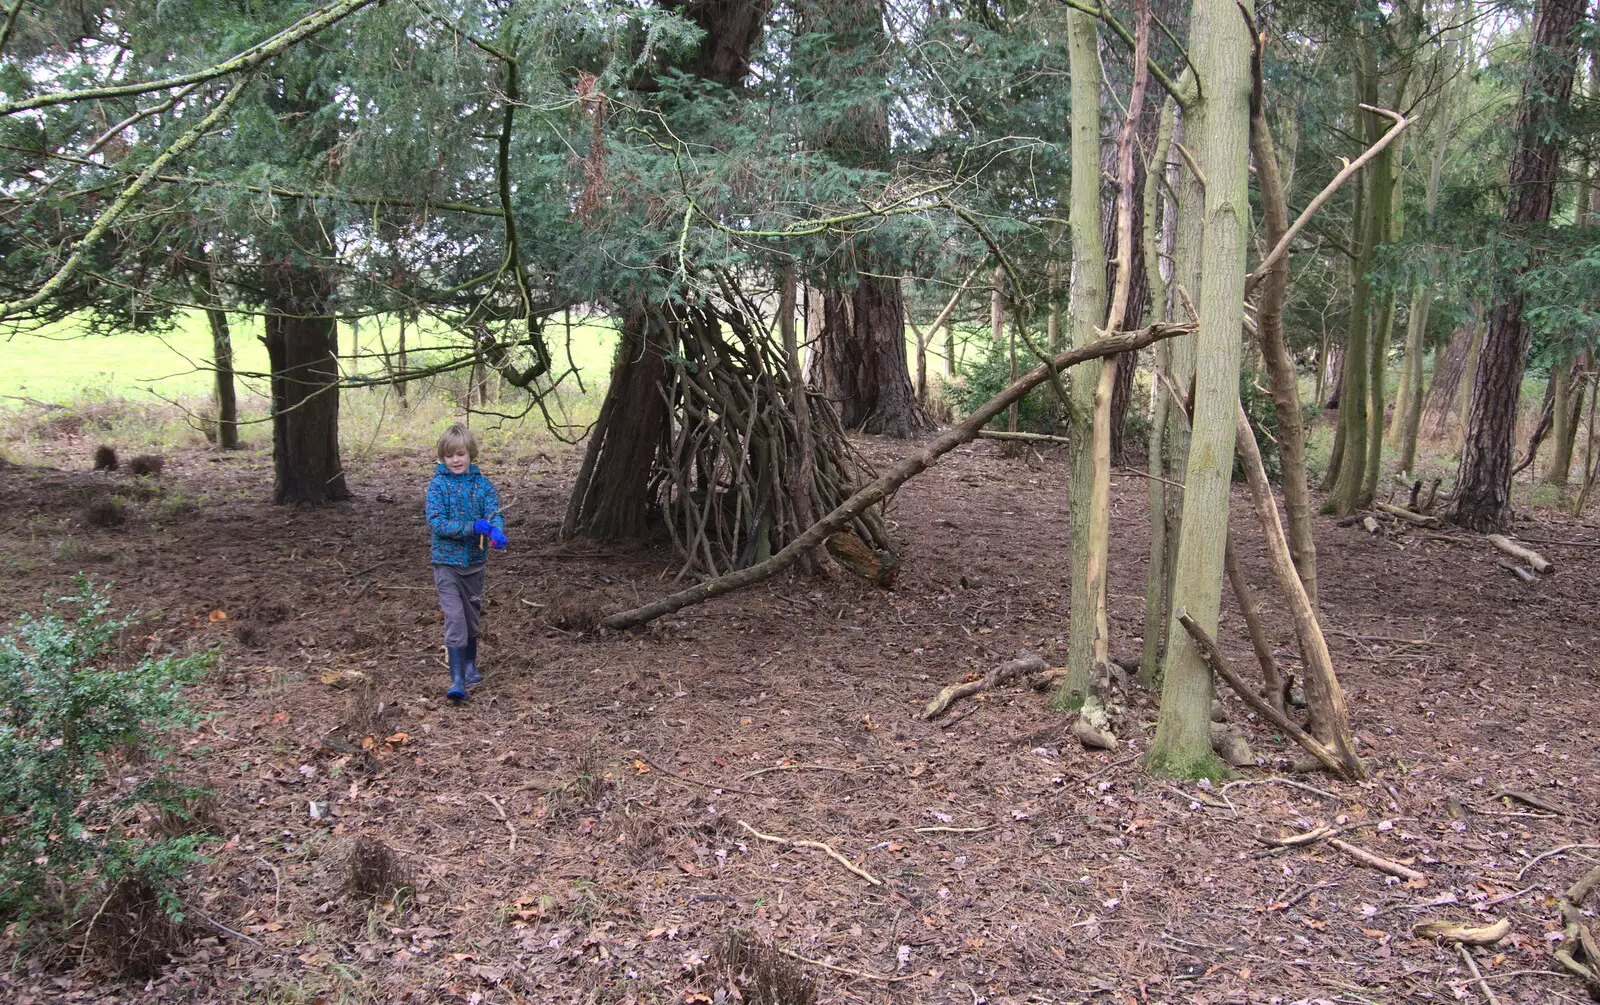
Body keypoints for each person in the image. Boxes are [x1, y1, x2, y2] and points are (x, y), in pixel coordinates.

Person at [425, 423, 507, 703]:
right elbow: (437, 523)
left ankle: (471, 665)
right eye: (449, 456)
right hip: (446, 565)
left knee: (471, 618)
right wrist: (472, 528)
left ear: (470, 454)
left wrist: (496, 530)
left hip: (475, 565)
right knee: (455, 619)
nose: (455, 460)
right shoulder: (438, 485)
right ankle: (457, 678)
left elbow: (493, 512)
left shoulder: (482, 485)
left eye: (460, 454)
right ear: (442, 458)